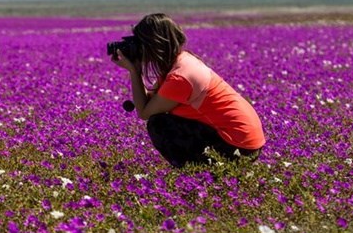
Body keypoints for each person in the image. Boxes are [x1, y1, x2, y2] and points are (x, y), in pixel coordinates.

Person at [111, 13, 265, 167]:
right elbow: (152, 102)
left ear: (153, 44)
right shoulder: (182, 61)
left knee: (158, 124)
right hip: (246, 141)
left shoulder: (180, 77)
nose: (139, 48)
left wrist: (134, 71)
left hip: (238, 146)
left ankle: (201, 175)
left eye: (141, 43)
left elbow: (144, 112)